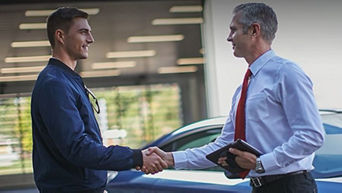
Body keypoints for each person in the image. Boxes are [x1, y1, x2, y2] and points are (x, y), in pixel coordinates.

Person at [146, 3, 325, 193]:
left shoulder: (286, 73)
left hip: (291, 187)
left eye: (234, 30)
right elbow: (222, 145)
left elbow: (311, 136)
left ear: (254, 30)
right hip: (260, 187)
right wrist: (170, 158)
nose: (229, 37)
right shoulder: (244, 89)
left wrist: (260, 163)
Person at [31, 7, 167, 193]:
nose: (91, 39)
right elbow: (77, 147)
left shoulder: (67, 81)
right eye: (83, 32)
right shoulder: (55, 84)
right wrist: (136, 157)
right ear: (60, 36)